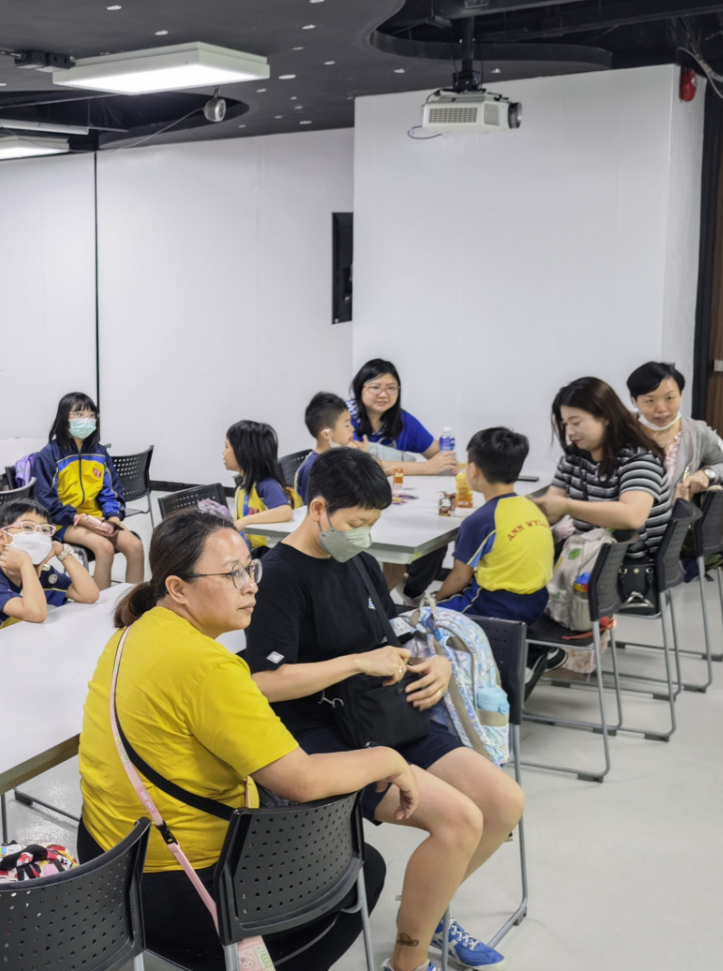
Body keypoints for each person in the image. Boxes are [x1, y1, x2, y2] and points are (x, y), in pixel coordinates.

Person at [76, 510, 399, 970]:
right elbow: (302, 781)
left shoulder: (133, 632)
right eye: (233, 575)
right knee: (367, 867)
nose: (251, 586)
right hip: (172, 881)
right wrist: (389, 759)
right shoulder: (209, 666)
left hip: (105, 856)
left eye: (251, 569)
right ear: (177, 588)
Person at [244, 446, 525, 971]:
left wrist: (433, 664)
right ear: (319, 508)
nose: (364, 535)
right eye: (356, 523)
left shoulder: (359, 563)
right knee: (460, 822)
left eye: (372, 524)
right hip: (323, 732)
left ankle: (429, 909)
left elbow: (390, 638)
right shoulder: (278, 576)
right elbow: (264, 683)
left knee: (504, 802)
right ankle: (407, 959)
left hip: (381, 712)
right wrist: (355, 663)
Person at [537, 376, 674, 570]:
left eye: (576, 422)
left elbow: (632, 516)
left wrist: (566, 506)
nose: (570, 432)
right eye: (566, 424)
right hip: (588, 555)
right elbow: (551, 510)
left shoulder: (639, 459)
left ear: (606, 417)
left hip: (631, 565)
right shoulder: (574, 458)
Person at [435, 428, 552, 621]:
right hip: (537, 603)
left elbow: (459, 577)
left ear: (474, 470)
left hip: (495, 607)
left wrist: (436, 601)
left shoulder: (480, 521)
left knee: (425, 616)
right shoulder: (532, 507)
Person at [32, 392, 144, 587]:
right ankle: (102, 602)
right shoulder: (49, 455)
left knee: (135, 546)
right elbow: (46, 502)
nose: (86, 419)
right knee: (104, 548)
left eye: (91, 415)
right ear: (64, 417)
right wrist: (81, 519)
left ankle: (135, 601)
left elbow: (111, 491)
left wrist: (113, 519)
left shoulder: (99, 452)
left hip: (98, 516)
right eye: (79, 414)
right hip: (62, 521)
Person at [0, 498, 98, 645]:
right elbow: (37, 613)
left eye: (44, 530)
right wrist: (25, 563)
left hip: (11, 644)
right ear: (1, 537)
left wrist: (60, 550)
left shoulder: (35, 569)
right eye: (27, 527)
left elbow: (89, 594)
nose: (37, 536)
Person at [626, 361, 723, 501]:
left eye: (670, 398)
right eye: (650, 401)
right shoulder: (619, 429)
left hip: (677, 514)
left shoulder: (696, 432)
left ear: (680, 395)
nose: (662, 409)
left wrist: (707, 474)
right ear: (633, 401)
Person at [350, 358, 458, 476]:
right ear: (359, 388)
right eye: (375, 387)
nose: (383, 394)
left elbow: (438, 453)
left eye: (391, 388)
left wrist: (449, 462)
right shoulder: (345, 417)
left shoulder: (403, 419)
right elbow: (356, 464)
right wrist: (426, 467)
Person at [222, 420, 299, 555]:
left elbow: (285, 512)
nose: (223, 453)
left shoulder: (266, 484)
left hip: (267, 554)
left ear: (243, 451)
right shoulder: (242, 487)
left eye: (227, 447)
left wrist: (245, 521)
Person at [295, 391, 359, 506]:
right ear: (327, 434)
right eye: (346, 425)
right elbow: (315, 510)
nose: (352, 429)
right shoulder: (312, 469)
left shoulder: (340, 458)